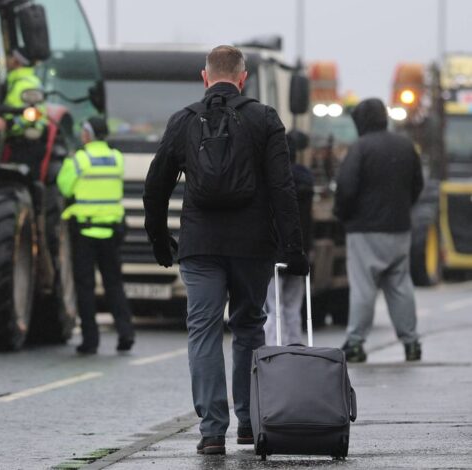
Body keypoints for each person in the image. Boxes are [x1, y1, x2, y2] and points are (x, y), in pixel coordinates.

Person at [143, 45, 308, 455]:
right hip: (252, 245)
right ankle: (251, 422)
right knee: (249, 326)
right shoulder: (264, 118)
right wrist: (294, 248)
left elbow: (155, 186)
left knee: (203, 330)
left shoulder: (183, 120)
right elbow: (282, 188)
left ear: (204, 78)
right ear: (242, 78)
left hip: (199, 244)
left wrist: (161, 241)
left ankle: (212, 430)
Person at [334, 98, 424, 363]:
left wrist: (343, 215)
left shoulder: (360, 148)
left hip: (365, 230)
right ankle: (412, 343)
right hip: (399, 228)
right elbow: (417, 184)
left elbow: (346, 188)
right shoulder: (406, 145)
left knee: (364, 286)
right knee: (400, 286)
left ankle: (355, 343)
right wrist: (403, 208)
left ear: (361, 121)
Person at [57, 117, 134, 355]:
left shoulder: (79, 160)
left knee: (85, 287)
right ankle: (126, 334)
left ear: (88, 134)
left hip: (85, 232)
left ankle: (90, 341)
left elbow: (64, 187)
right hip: (111, 230)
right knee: (114, 284)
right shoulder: (116, 158)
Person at [263, 131, 315, 346]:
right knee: (294, 306)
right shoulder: (306, 179)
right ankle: (295, 347)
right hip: (299, 252)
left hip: (274, 251)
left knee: (273, 308)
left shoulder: (269, 179)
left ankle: (274, 349)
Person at [3, 49, 49, 179]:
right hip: (20, 143)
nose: (6, 60)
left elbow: (34, 113)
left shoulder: (26, 84)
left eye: (10, 56)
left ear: (17, 61)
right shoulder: (16, 82)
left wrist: (9, 124)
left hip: (26, 144)